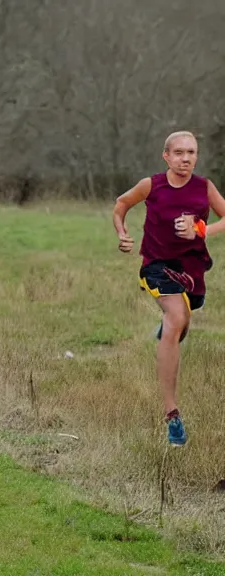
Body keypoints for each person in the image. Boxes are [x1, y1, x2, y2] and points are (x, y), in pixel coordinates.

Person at [112, 130, 225, 446]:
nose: (185, 158)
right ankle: (172, 415)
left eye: (191, 152)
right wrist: (122, 233)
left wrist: (200, 229)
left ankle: (166, 332)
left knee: (182, 320)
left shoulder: (204, 187)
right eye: (179, 152)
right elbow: (121, 204)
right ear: (166, 156)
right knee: (176, 319)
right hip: (157, 266)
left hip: (192, 272)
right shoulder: (152, 185)